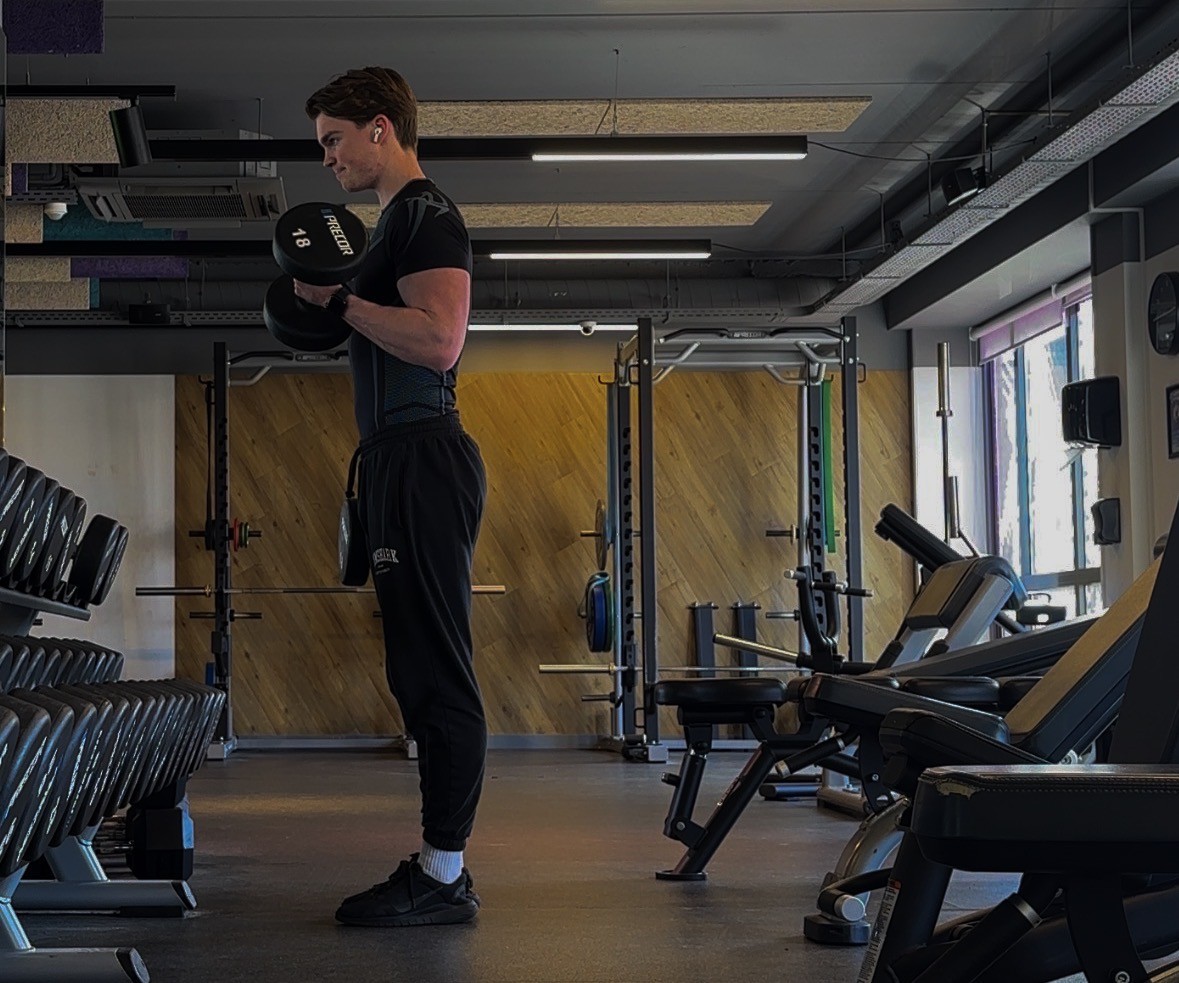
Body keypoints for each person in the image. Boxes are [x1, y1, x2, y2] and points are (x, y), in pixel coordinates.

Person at [295, 66, 487, 927]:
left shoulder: (424, 212)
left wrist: (342, 300)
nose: (328, 158)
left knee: (436, 670)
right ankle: (440, 865)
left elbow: (440, 340)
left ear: (380, 129)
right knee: (414, 670)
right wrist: (334, 306)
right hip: (393, 460)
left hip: (422, 457)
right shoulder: (391, 230)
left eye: (334, 140)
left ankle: (444, 876)